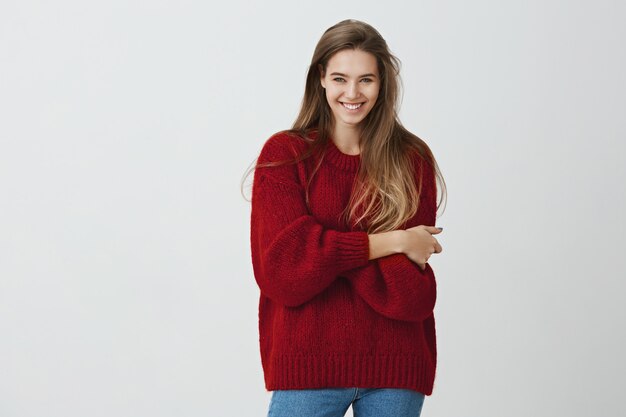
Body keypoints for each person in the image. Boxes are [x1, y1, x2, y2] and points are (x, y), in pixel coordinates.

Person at [242, 18, 447, 417]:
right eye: (340, 78)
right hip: (307, 368)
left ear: (383, 82)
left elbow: (410, 294)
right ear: (320, 78)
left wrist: (319, 250)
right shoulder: (285, 155)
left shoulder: (411, 159)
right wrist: (394, 241)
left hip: (396, 365)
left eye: (366, 80)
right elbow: (283, 273)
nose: (352, 93)